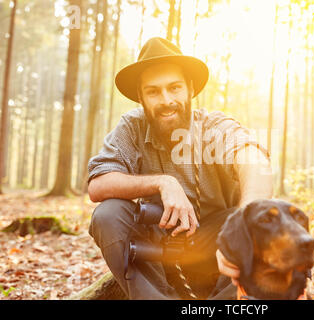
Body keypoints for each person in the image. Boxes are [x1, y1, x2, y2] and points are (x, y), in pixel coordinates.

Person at [87, 37, 273, 299]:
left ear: (190, 89)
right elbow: (98, 184)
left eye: (174, 88)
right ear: (141, 97)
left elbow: (255, 162)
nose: (166, 100)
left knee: (267, 219)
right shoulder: (132, 127)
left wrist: (243, 225)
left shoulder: (214, 125)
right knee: (108, 214)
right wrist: (163, 182)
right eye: (153, 91)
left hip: (216, 243)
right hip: (157, 246)